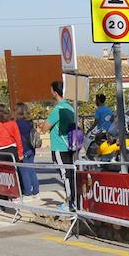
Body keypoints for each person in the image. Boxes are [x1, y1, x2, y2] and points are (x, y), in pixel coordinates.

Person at [42, 80, 77, 211]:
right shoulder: (69, 107)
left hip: (59, 146)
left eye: (51, 90)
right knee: (70, 174)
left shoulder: (58, 109)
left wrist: (42, 125)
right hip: (70, 145)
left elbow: (45, 127)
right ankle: (73, 200)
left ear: (55, 92)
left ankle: (70, 203)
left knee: (65, 175)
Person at [15, 102, 39, 196]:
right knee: (31, 169)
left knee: (24, 171)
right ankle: (36, 189)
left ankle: (28, 191)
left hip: (23, 149)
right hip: (31, 148)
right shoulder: (29, 122)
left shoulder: (17, 123)